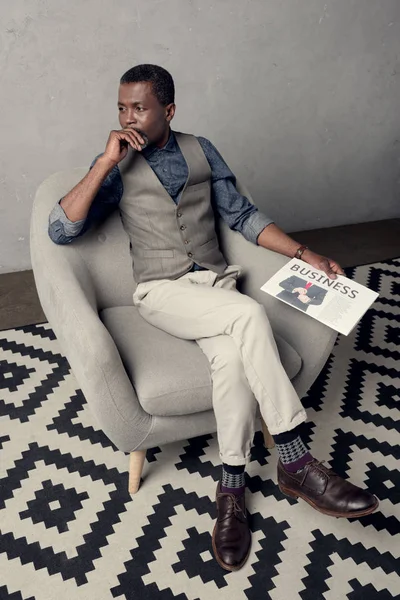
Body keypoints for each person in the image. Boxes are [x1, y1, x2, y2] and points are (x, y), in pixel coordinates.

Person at [48, 64, 378, 572]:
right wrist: (104, 163)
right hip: (161, 292)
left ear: (169, 110)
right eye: (121, 107)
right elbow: (61, 230)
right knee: (249, 317)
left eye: (139, 107)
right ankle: (295, 461)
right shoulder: (115, 164)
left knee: (231, 360)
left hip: (216, 286)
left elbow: (243, 216)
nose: (128, 116)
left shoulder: (202, 149)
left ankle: (229, 492)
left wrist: (303, 253)